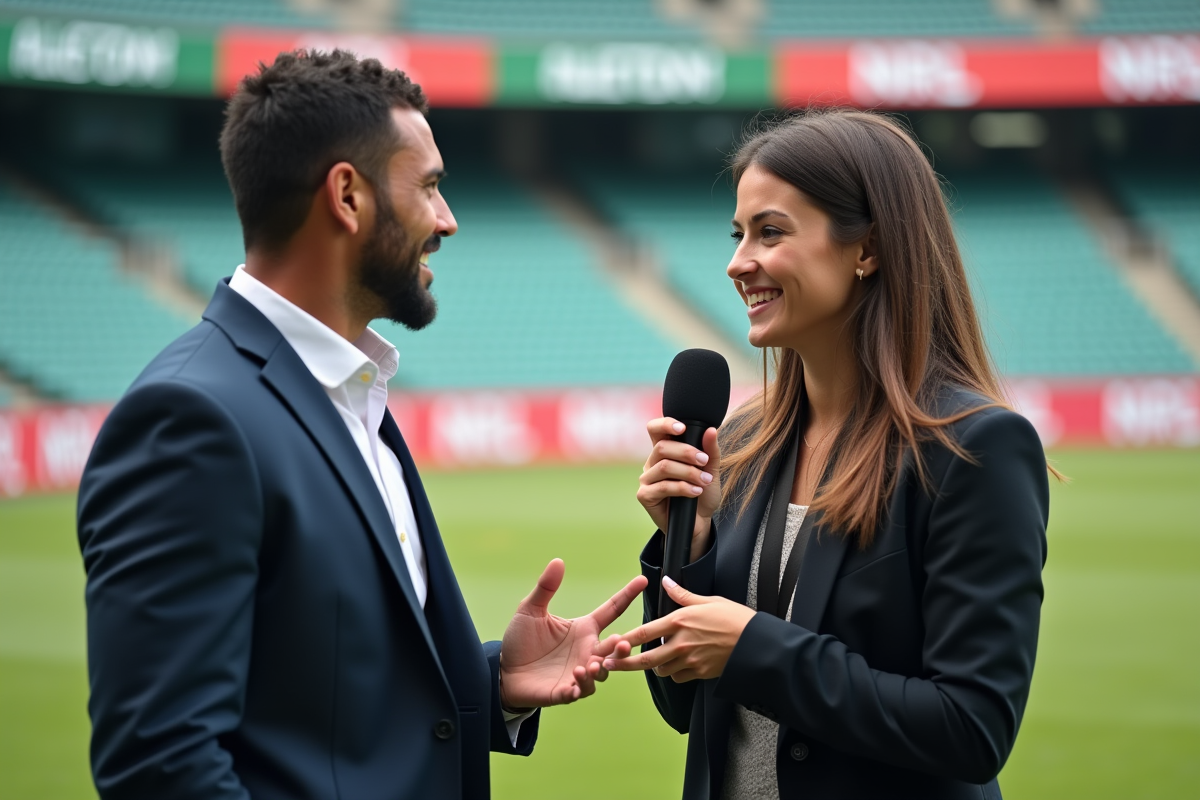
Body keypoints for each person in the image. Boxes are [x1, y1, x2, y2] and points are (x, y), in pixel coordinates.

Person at [76, 50, 646, 800]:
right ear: (347, 195)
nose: (448, 220)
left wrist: (491, 682)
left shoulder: (350, 390)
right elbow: (161, 763)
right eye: (431, 186)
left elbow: (321, 702)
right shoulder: (192, 420)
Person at [602, 109, 1050, 799]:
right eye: (738, 233)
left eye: (770, 232)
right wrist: (688, 542)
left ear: (866, 248)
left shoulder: (974, 448)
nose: (736, 262)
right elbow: (683, 707)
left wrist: (754, 648)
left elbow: (973, 727)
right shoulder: (743, 443)